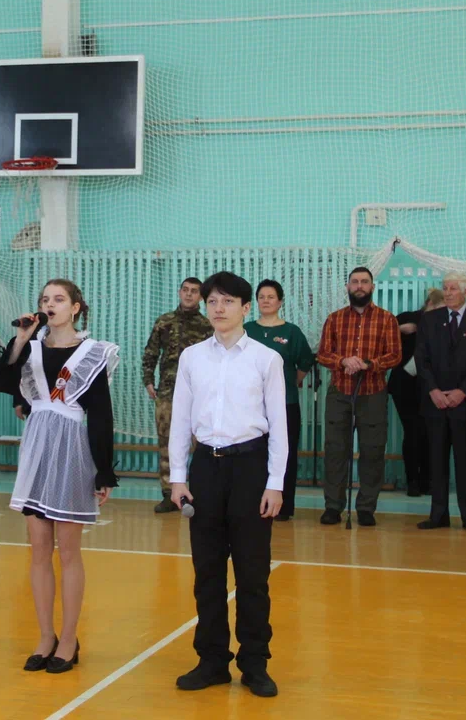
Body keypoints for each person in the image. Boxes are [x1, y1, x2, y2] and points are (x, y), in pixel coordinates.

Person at [169, 272, 286, 699]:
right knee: (208, 571)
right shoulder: (192, 357)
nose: (218, 308)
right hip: (206, 468)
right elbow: (181, 419)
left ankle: (254, 662)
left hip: (251, 469)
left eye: (228, 301)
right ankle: (212, 660)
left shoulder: (266, 359)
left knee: (253, 573)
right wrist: (177, 477)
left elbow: (280, 427)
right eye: (212, 301)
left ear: (245, 308)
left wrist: (275, 484)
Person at [0, 278, 118, 675]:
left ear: (75, 307)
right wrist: (20, 338)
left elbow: (101, 414)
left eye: (59, 299)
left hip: (72, 449)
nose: (51, 304)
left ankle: (68, 638)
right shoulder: (29, 349)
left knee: (68, 551)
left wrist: (105, 470)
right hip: (37, 448)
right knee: (38, 549)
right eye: (45, 299)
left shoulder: (92, 352)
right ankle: (45, 635)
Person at [314, 267, 401, 526]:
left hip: (373, 393)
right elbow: (323, 354)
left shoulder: (387, 319)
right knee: (335, 450)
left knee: (372, 451)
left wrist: (368, 364)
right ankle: (333, 506)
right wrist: (343, 361)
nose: (359, 286)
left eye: (364, 282)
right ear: (348, 287)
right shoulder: (334, 319)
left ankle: (366, 508)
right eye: (355, 282)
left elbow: (395, 355)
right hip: (340, 393)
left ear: (372, 287)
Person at [415, 272, 466, 533]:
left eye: (453, 288)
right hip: (435, 402)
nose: (448, 293)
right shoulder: (429, 320)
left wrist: (463, 391)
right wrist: (433, 390)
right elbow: (421, 359)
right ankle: (438, 515)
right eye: (445, 288)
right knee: (436, 461)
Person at [245, 279, 315, 520]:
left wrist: (286, 384)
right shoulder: (246, 330)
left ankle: (282, 508)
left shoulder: (291, 332)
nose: (266, 301)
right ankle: (254, 505)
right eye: (261, 297)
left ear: (280, 302)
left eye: (271, 297)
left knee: (285, 454)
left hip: (285, 405)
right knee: (253, 456)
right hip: (252, 407)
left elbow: (304, 363)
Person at [142, 277, 213, 513]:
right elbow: (151, 352)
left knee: (202, 444)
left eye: (194, 291)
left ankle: (201, 493)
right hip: (168, 392)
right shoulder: (164, 321)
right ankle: (169, 494)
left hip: (200, 395)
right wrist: (148, 380)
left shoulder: (207, 325)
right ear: (179, 292)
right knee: (167, 443)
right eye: (185, 290)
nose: (189, 294)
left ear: (201, 297)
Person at [390, 288, 445, 497]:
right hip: (405, 384)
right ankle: (412, 480)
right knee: (413, 431)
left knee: (430, 433)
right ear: (429, 303)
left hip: (430, 386)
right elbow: (384, 336)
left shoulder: (443, 324)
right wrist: (400, 330)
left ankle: (427, 480)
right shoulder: (408, 318)